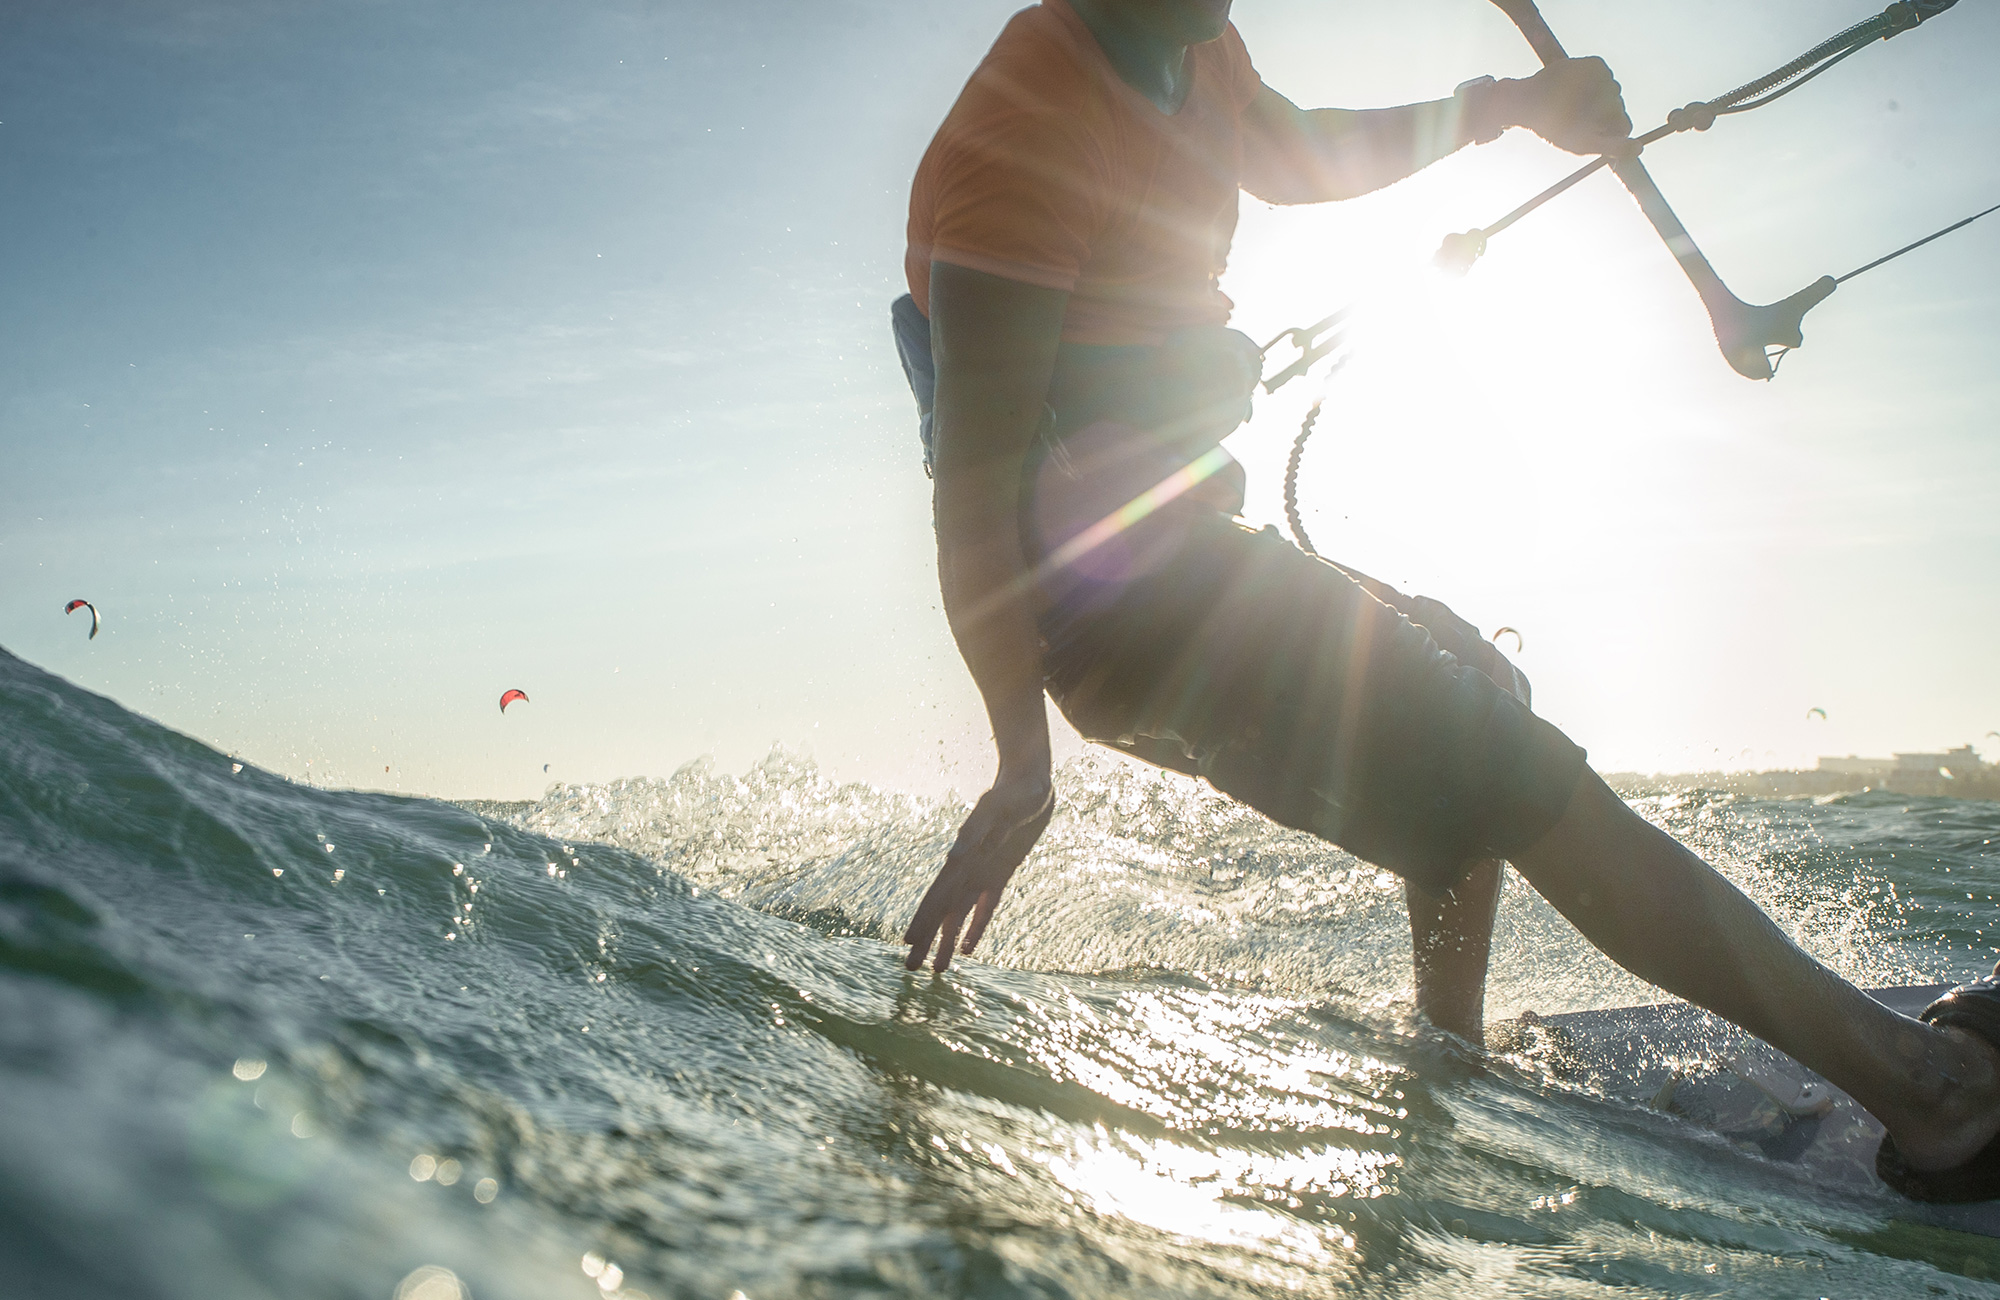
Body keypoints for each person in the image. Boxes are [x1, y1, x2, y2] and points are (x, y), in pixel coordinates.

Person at [889, 0, 2000, 1201]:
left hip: (1190, 551)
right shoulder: (1029, 126)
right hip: (1114, 609)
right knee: (1507, 768)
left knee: (1484, 684)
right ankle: (1930, 1094)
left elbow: (1290, 148)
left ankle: (1445, 1054)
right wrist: (1019, 758)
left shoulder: (1197, 41)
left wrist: (1504, 107)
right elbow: (976, 497)